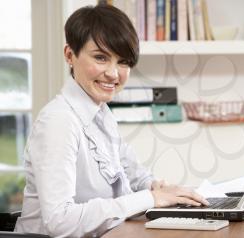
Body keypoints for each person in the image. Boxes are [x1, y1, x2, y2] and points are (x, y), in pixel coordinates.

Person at [14, 4, 208, 237]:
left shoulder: (101, 113)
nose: (114, 74)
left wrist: (158, 188)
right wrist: (150, 198)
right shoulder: (58, 122)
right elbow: (59, 220)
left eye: (123, 62)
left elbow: (133, 173)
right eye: (100, 58)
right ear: (69, 55)